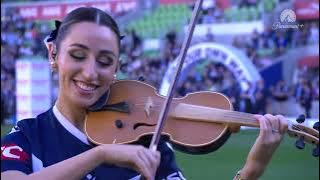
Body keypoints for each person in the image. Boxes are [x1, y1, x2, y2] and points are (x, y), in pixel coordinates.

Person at [1, 7, 288, 180]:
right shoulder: (26, 137)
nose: (90, 73)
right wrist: (99, 155)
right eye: (77, 55)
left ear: (117, 67)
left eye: (104, 62)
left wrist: (251, 170)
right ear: (53, 54)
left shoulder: (150, 148)